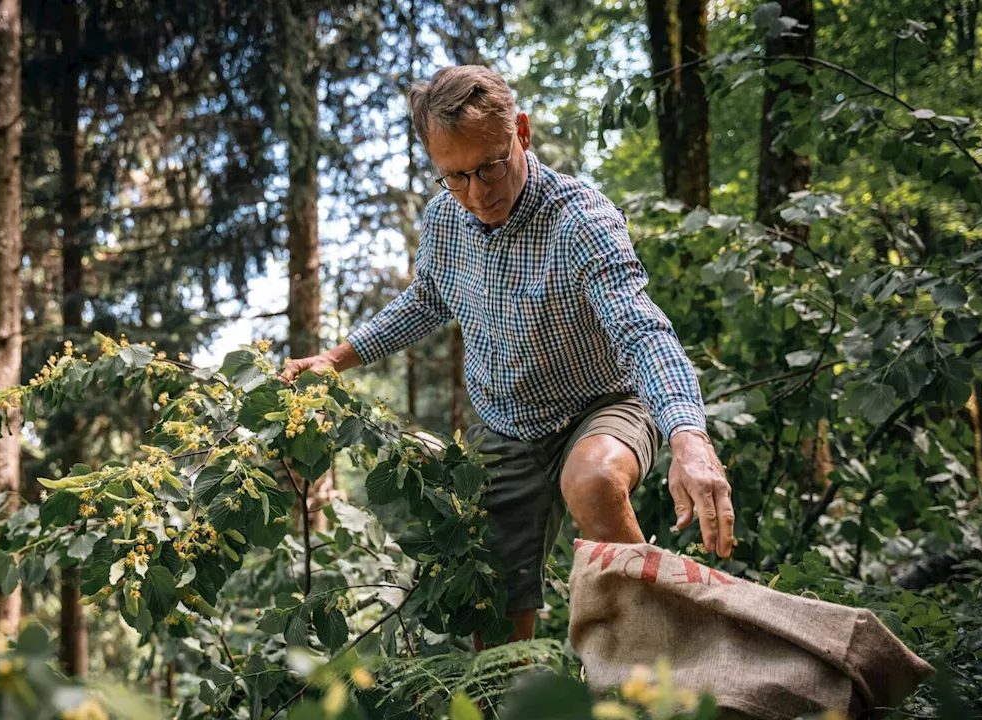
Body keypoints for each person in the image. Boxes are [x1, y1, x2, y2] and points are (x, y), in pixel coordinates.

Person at [283, 65, 733, 646]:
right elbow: (426, 301)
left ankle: (656, 660)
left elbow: (640, 328)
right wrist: (336, 359)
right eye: (456, 176)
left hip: (603, 405)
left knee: (593, 481)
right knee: (492, 625)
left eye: (491, 165)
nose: (478, 192)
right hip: (505, 429)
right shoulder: (447, 218)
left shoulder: (581, 218)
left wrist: (688, 436)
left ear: (520, 131)